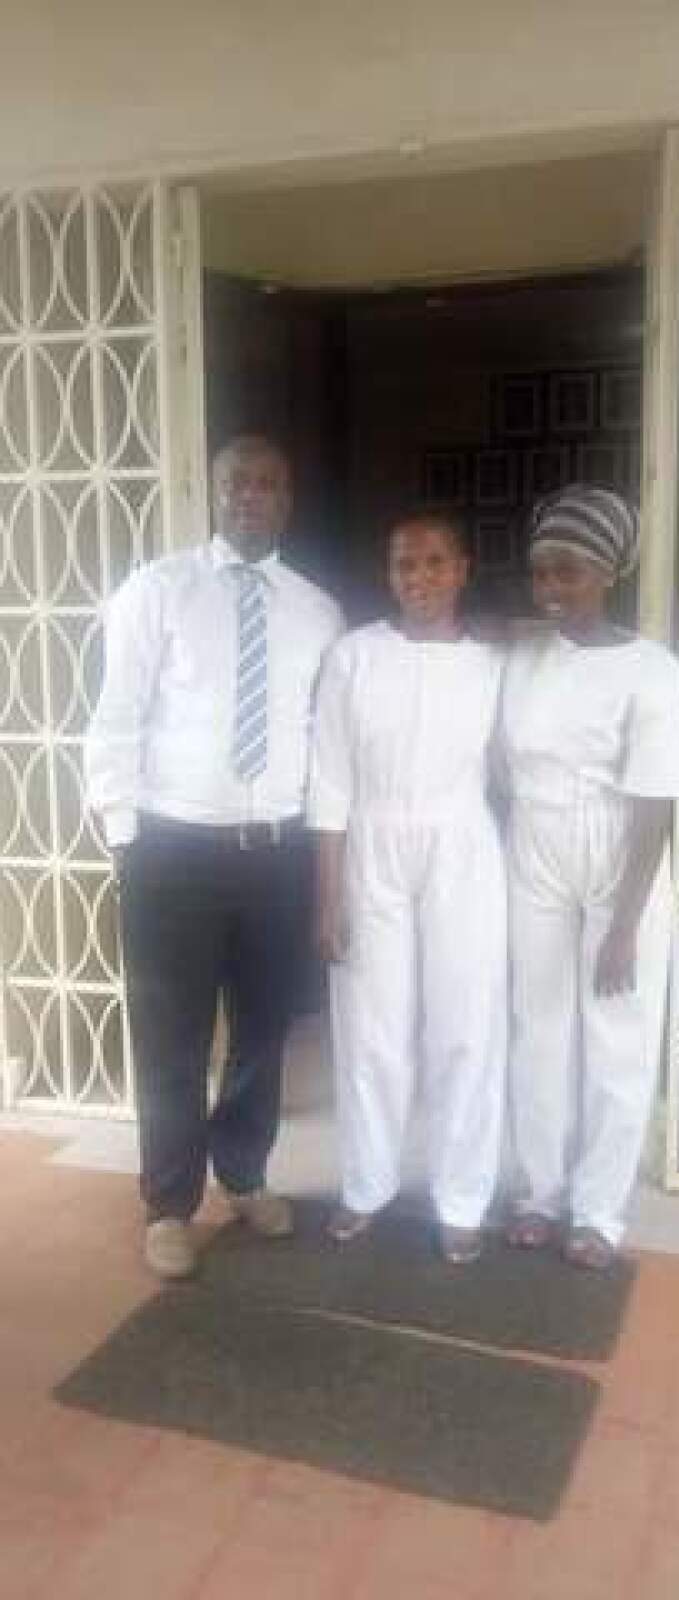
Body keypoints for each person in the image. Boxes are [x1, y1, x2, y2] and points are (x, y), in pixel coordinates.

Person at [85, 435, 342, 1278]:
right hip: (171, 847)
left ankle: (243, 1173)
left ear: (289, 497)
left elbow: (323, 735)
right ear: (213, 489)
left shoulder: (315, 610)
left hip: (274, 850)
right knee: (172, 1034)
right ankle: (168, 1205)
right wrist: (126, 837)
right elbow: (117, 717)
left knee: (265, 1025)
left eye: (270, 482)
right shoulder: (157, 592)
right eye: (238, 480)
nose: (251, 495)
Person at [499, 486, 679, 1270]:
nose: (552, 589)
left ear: (609, 573)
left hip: (623, 850)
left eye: (571, 573)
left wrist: (624, 924)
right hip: (534, 843)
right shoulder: (525, 654)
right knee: (538, 1024)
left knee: (617, 1033)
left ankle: (599, 1209)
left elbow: (655, 799)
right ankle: (541, 1194)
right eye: (542, 572)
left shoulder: (655, 670)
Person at [308, 512, 507, 1265]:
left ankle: (462, 1197)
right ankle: (366, 1185)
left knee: (465, 1026)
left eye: (433, 563)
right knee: (372, 1026)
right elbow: (328, 782)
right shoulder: (353, 657)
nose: (417, 579)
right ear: (387, 574)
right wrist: (328, 900)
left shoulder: (493, 658)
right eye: (402, 565)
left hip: (462, 843)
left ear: (463, 568)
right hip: (371, 842)